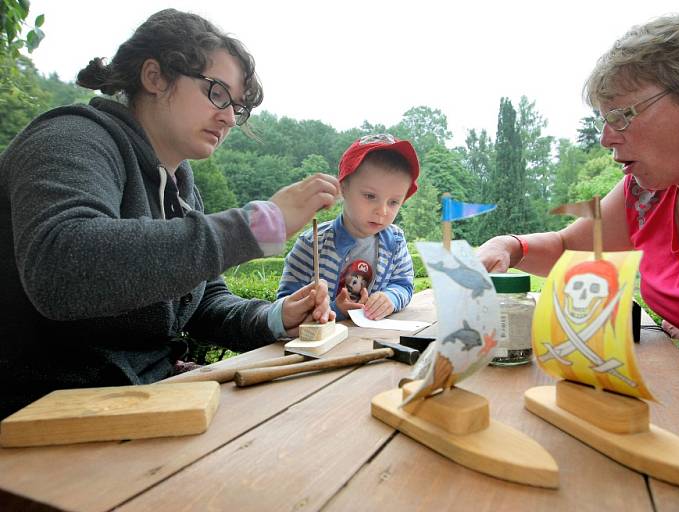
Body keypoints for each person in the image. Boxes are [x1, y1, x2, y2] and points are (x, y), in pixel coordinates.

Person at [477, 14, 679, 467]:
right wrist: (509, 247)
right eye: (604, 119)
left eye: (622, 115)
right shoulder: (652, 185)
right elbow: (572, 247)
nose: (607, 137)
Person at [0, 9, 338, 418]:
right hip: (42, 422)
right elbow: (61, 266)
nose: (229, 117)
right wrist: (259, 224)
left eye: (237, 107)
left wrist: (275, 318)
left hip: (144, 405)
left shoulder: (179, 182)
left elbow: (202, 302)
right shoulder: (70, 138)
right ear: (154, 77)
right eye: (217, 92)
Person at [278, 134, 418, 321]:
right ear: (343, 188)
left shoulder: (396, 241)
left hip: (373, 342)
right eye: (370, 196)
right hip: (320, 347)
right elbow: (284, 307)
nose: (382, 211)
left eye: (393, 202)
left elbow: (404, 284)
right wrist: (336, 309)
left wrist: (390, 298)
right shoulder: (312, 244)